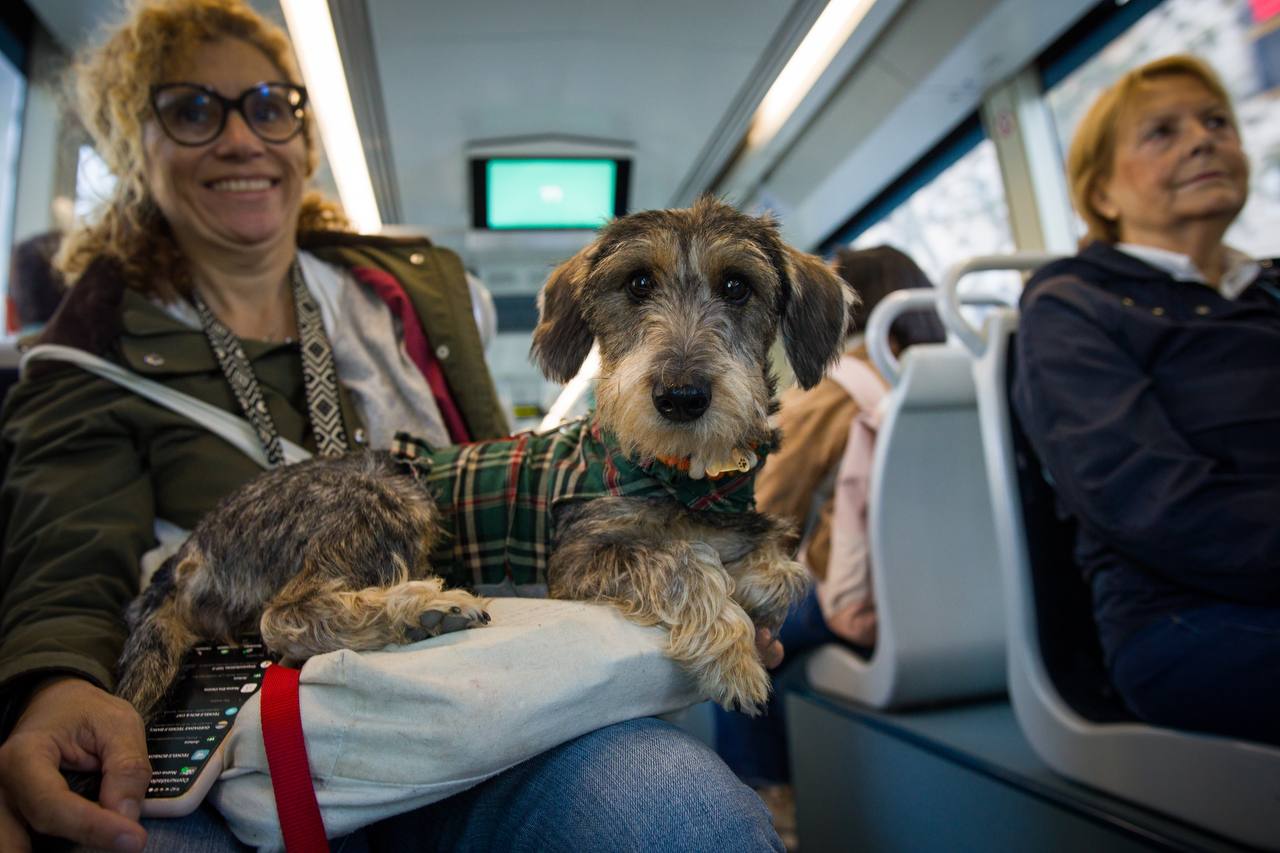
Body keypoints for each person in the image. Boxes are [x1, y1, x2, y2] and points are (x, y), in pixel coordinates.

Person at [0, 2, 783, 851]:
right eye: (192, 110)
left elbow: (509, 492)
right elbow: (65, 558)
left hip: (473, 693)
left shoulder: (417, 291)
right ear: (129, 141)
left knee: (679, 812)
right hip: (247, 718)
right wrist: (55, 683)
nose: (241, 140)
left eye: (270, 107)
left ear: (302, 138)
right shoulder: (88, 347)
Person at [1014, 54, 1280, 746]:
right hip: (1183, 615)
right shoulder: (1072, 303)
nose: (1203, 139)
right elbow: (1146, 496)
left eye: (1217, 121)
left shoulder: (1267, 289)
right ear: (1101, 193)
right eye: (1161, 132)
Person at [714, 246, 945, 836]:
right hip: (953, 598)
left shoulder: (837, 385)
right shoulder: (955, 374)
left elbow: (766, 507)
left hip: (865, 601)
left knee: (735, 635)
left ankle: (764, 807)